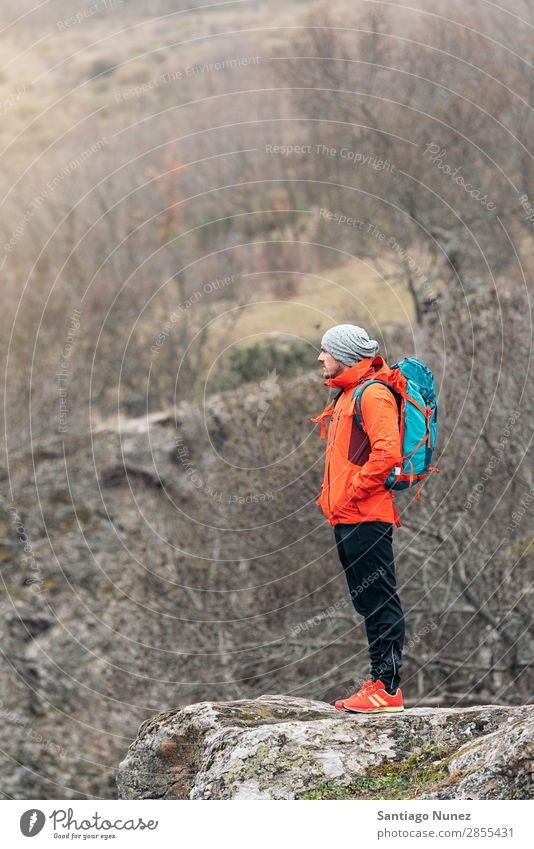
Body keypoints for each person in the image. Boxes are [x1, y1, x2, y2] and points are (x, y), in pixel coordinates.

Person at [312, 324, 405, 713]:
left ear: (345, 356)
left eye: (325, 351)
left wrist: (352, 492)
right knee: (367, 601)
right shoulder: (348, 394)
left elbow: (387, 453)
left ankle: (387, 688)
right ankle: (379, 684)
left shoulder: (373, 394)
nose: (319, 358)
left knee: (381, 600)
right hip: (348, 518)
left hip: (365, 514)